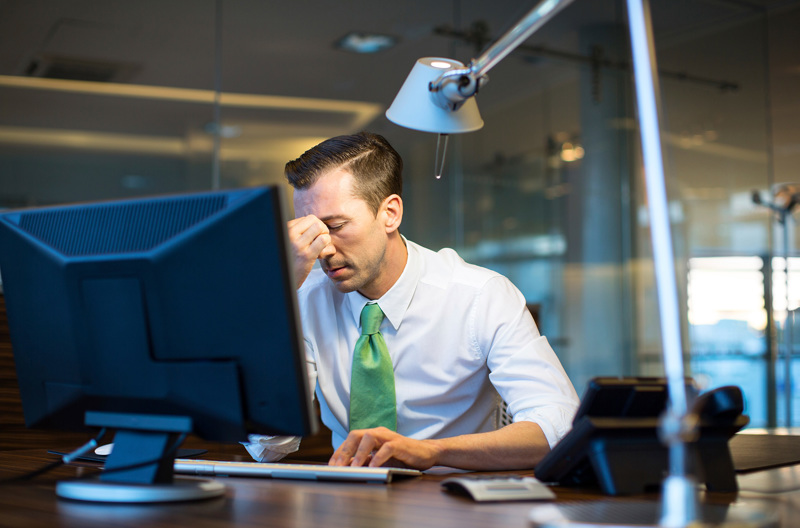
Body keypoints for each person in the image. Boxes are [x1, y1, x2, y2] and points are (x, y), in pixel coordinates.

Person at [245, 131, 579, 470]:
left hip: (454, 500)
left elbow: (558, 426)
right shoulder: (304, 296)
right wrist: (277, 299)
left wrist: (433, 452)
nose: (323, 249)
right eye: (309, 232)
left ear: (390, 213)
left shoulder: (481, 296)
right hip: (349, 501)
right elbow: (269, 445)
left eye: (336, 226)